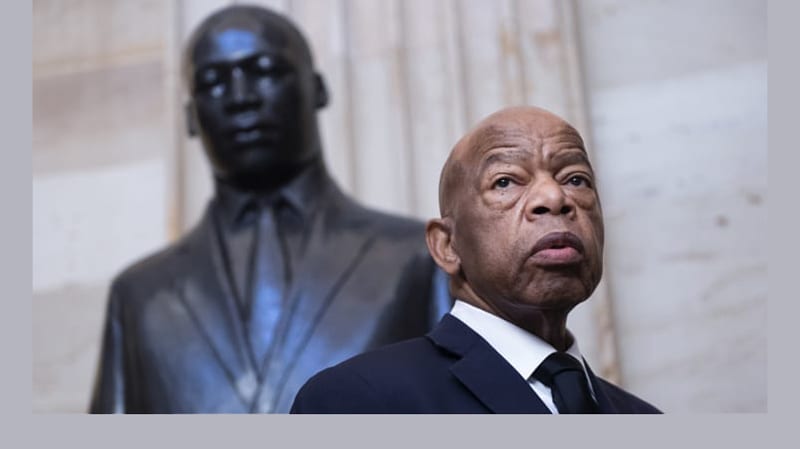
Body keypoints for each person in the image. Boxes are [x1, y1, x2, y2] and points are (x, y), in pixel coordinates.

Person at [89, 5, 451, 414]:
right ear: (190, 116)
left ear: (317, 88)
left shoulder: (417, 259)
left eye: (264, 71)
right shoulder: (140, 296)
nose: (240, 98)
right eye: (213, 83)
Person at [290, 106, 661, 413]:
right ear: (447, 245)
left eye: (576, 179)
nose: (554, 196)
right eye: (505, 182)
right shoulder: (358, 400)